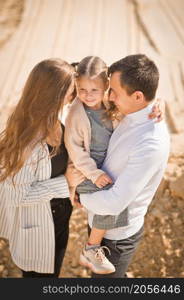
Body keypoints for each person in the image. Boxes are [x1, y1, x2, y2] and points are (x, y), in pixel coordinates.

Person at [64, 55, 166, 275]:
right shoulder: (128, 110)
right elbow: (75, 150)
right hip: (92, 187)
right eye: (110, 90)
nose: (110, 97)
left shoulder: (150, 140)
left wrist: (79, 195)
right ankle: (91, 247)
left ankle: (91, 247)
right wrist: (158, 101)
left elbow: (113, 204)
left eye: (112, 92)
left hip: (117, 236)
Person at [0, 58, 75, 277]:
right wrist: (66, 182)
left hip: (59, 217)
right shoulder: (28, 143)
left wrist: (154, 105)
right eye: (72, 92)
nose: (75, 98)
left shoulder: (53, 118)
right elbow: (17, 196)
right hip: (39, 225)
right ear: (55, 95)